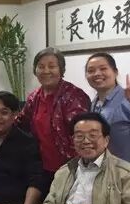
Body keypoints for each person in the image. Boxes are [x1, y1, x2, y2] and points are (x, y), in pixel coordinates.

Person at [16, 47, 90, 194]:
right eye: (41, 66)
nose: (46, 71)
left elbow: (83, 133)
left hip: (72, 169)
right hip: (42, 168)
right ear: (35, 70)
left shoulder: (74, 96)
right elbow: (20, 122)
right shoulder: (34, 97)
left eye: (52, 66)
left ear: (61, 70)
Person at [85, 52, 130, 183]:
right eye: (91, 70)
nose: (97, 73)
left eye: (103, 68)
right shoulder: (94, 103)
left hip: (129, 178)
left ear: (115, 72)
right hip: (105, 176)